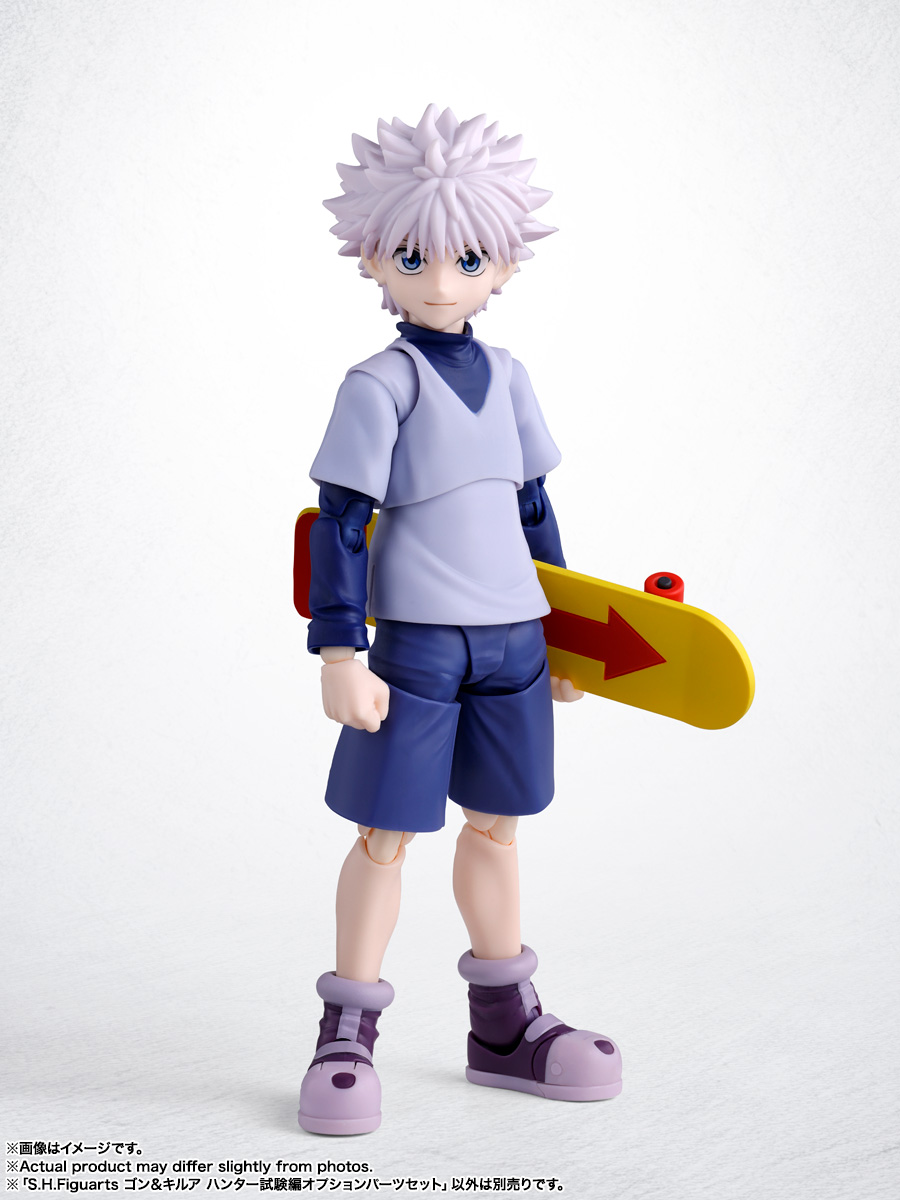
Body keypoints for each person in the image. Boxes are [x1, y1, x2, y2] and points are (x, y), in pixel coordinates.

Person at [298, 105, 622, 1136]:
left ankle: (505, 1027)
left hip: (517, 642)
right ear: (372, 258)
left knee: (497, 825)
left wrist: (569, 637)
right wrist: (339, 650)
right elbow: (339, 523)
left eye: (467, 259)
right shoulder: (378, 385)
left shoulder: (512, 379)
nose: (440, 281)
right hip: (419, 648)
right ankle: (346, 1033)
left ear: (504, 265)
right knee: (386, 833)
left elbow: (535, 510)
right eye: (413, 257)